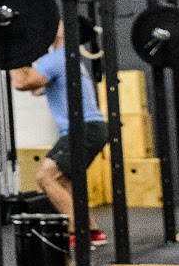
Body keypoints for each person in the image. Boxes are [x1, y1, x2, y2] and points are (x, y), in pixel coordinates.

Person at [10, 20, 110, 248]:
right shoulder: (67, 59)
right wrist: (25, 60)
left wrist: (12, 54)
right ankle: (92, 231)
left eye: (62, 22)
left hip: (83, 128)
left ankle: (78, 232)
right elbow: (37, 88)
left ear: (69, 32)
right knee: (63, 180)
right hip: (90, 128)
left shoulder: (58, 58)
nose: (55, 23)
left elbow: (22, 82)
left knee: (45, 177)